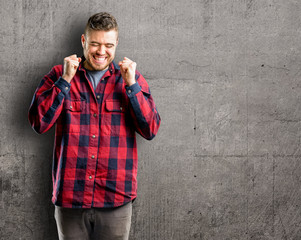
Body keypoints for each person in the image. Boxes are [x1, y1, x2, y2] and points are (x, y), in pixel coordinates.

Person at [28, 12, 161, 240]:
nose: (101, 52)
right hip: (71, 198)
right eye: (95, 44)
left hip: (115, 200)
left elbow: (150, 129)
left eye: (108, 45)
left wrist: (132, 86)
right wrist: (65, 82)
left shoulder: (131, 78)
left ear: (116, 43)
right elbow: (39, 123)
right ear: (83, 41)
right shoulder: (59, 75)